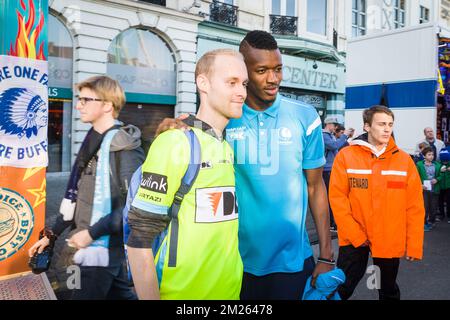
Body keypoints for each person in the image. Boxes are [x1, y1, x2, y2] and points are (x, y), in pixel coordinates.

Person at [156, 30, 334, 300]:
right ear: (244, 72)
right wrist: (179, 124)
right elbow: (195, 129)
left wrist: (327, 255)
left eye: (278, 69)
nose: (273, 79)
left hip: (292, 261)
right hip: (234, 262)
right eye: (262, 70)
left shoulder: (305, 116)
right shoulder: (227, 117)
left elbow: (315, 187)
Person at [126, 49, 248, 300]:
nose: (242, 92)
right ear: (203, 83)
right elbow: (139, 241)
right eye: (231, 82)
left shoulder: (224, 146)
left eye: (244, 83)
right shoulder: (175, 143)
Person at [28, 76, 145, 299]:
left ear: (108, 105)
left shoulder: (125, 148)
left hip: (100, 250)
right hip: (87, 247)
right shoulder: (93, 140)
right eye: (79, 99)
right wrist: (51, 235)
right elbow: (76, 195)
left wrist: (91, 234)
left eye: (85, 99)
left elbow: (133, 207)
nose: (79, 105)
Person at [329, 105, 424, 300]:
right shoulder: (346, 156)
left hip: (388, 238)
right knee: (343, 288)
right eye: (381, 124)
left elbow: (414, 206)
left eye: (390, 124)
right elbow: (338, 200)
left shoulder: (404, 161)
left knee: (387, 290)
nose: (387, 129)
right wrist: (355, 234)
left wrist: (414, 243)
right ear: (367, 126)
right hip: (354, 239)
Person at [322, 116, 352, 231]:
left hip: (331, 169)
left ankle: (332, 223)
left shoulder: (330, 136)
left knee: (333, 197)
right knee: (330, 197)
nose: (336, 128)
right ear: (329, 124)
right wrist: (345, 136)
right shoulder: (324, 135)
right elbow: (334, 146)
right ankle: (331, 224)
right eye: (335, 126)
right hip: (327, 170)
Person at [416, 146, 442, 231]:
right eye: (429, 154)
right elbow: (416, 176)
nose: (431, 156)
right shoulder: (419, 164)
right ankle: (424, 223)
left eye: (432, 154)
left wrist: (437, 179)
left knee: (433, 207)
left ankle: (431, 221)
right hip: (424, 190)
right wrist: (420, 185)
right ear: (424, 156)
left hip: (435, 189)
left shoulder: (437, 165)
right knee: (425, 207)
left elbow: (441, 175)